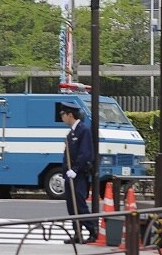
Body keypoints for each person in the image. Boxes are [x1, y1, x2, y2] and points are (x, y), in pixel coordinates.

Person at [60, 101, 97, 244]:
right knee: (71, 206)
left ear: (70, 115)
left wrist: (75, 170)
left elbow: (86, 153)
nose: (62, 117)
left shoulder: (83, 130)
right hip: (69, 174)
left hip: (79, 174)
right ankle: (77, 233)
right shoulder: (71, 133)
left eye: (63, 114)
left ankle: (92, 230)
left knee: (80, 204)